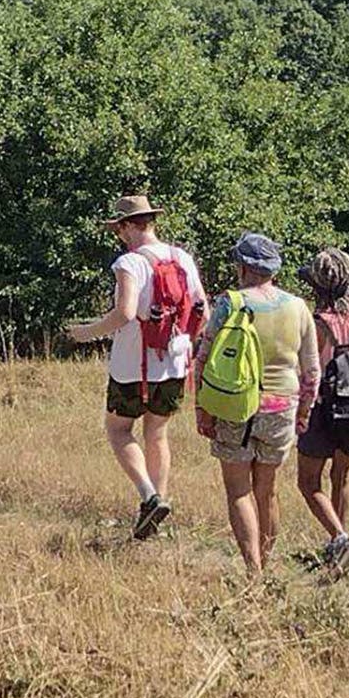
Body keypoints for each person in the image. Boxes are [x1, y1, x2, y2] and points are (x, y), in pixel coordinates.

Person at [63, 194, 205, 541]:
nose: (119, 235)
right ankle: (158, 505)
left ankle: (149, 496)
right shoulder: (182, 258)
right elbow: (203, 307)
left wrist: (86, 333)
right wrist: (186, 345)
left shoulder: (129, 263)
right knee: (157, 433)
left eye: (119, 228)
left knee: (118, 431)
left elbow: (125, 313)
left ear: (128, 227)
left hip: (132, 367)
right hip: (174, 363)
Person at [198, 233, 318, 574]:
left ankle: (253, 570)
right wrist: (304, 411)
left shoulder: (230, 303)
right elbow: (311, 370)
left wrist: (202, 409)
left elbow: (203, 359)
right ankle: (266, 562)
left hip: (235, 406)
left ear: (243, 266)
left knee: (238, 491)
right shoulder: (298, 307)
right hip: (282, 407)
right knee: (267, 491)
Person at [298, 247, 349, 568]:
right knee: (341, 478)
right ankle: (339, 547)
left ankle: (342, 541)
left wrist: (300, 412)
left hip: (321, 411)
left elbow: (306, 374)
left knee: (308, 483)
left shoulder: (315, 323)